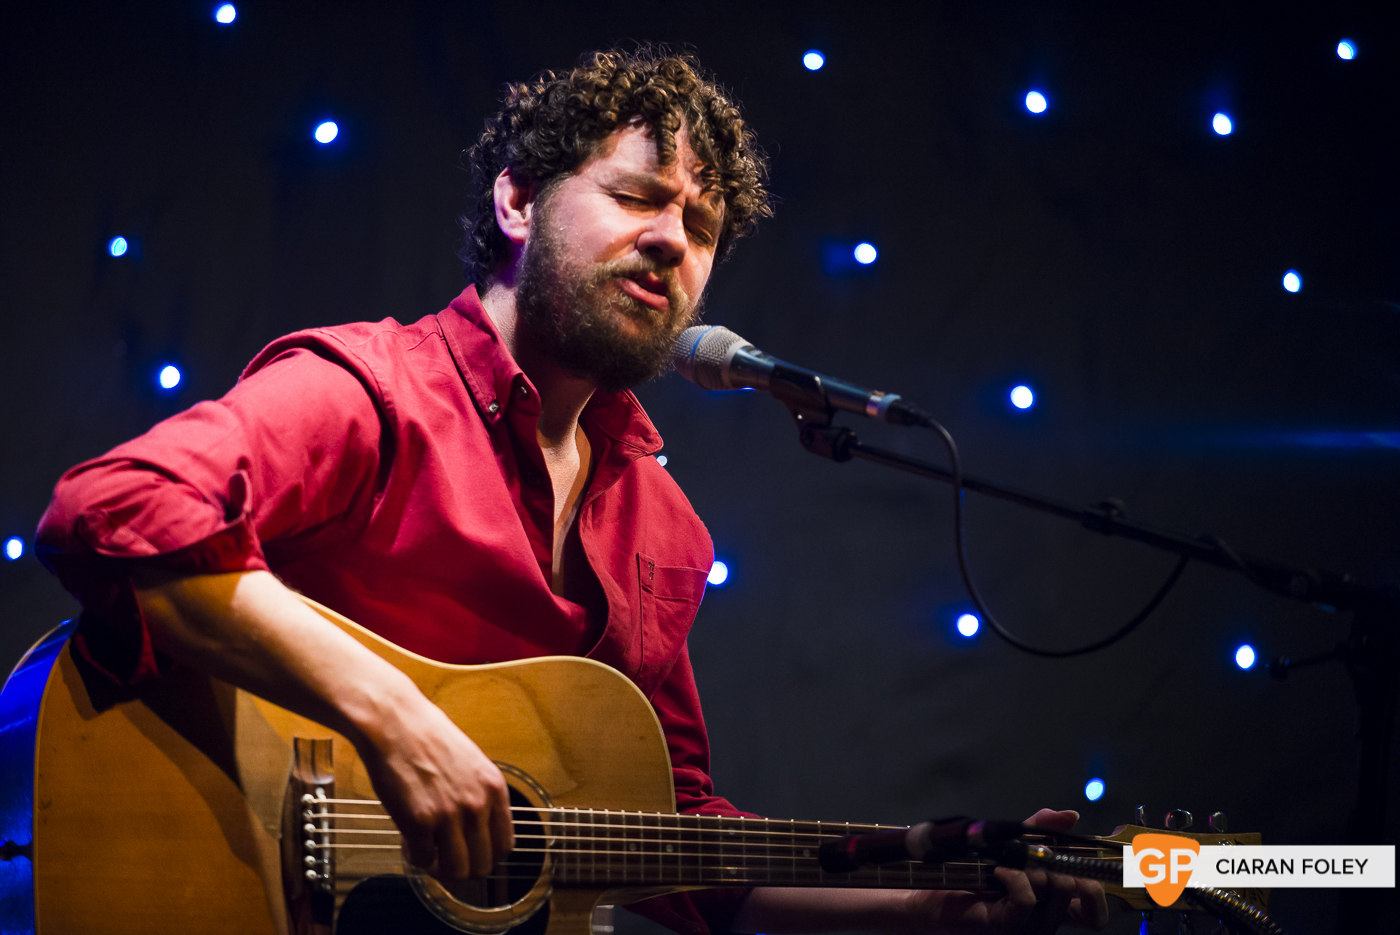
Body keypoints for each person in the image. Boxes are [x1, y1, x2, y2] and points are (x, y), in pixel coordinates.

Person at [35, 48, 1106, 935]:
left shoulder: (662, 527)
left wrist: (933, 908)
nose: (670, 240)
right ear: (515, 198)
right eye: (636, 195)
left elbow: (679, 843)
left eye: (701, 227)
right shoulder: (372, 392)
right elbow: (112, 505)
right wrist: (395, 721)